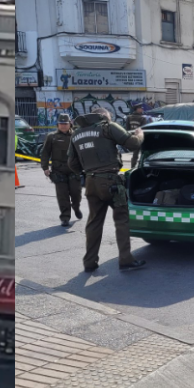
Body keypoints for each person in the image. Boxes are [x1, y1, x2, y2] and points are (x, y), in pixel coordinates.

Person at [67, 107, 146, 272]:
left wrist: (88, 171)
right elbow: (132, 144)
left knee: (94, 222)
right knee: (122, 220)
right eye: (109, 117)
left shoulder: (76, 134)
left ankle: (89, 262)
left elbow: (72, 164)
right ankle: (126, 259)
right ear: (103, 116)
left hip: (90, 182)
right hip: (111, 182)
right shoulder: (107, 126)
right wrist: (139, 134)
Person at [40, 114, 83, 227]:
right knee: (62, 195)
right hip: (58, 171)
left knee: (76, 194)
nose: (63, 126)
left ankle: (76, 207)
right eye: (61, 124)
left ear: (70, 124)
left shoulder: (76, 135)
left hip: (74, 170)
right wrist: (45, 168)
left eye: (65, 123)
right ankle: (65, 217)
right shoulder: (51, 137)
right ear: (58, 125)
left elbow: (83, 152)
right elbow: (45, 153)